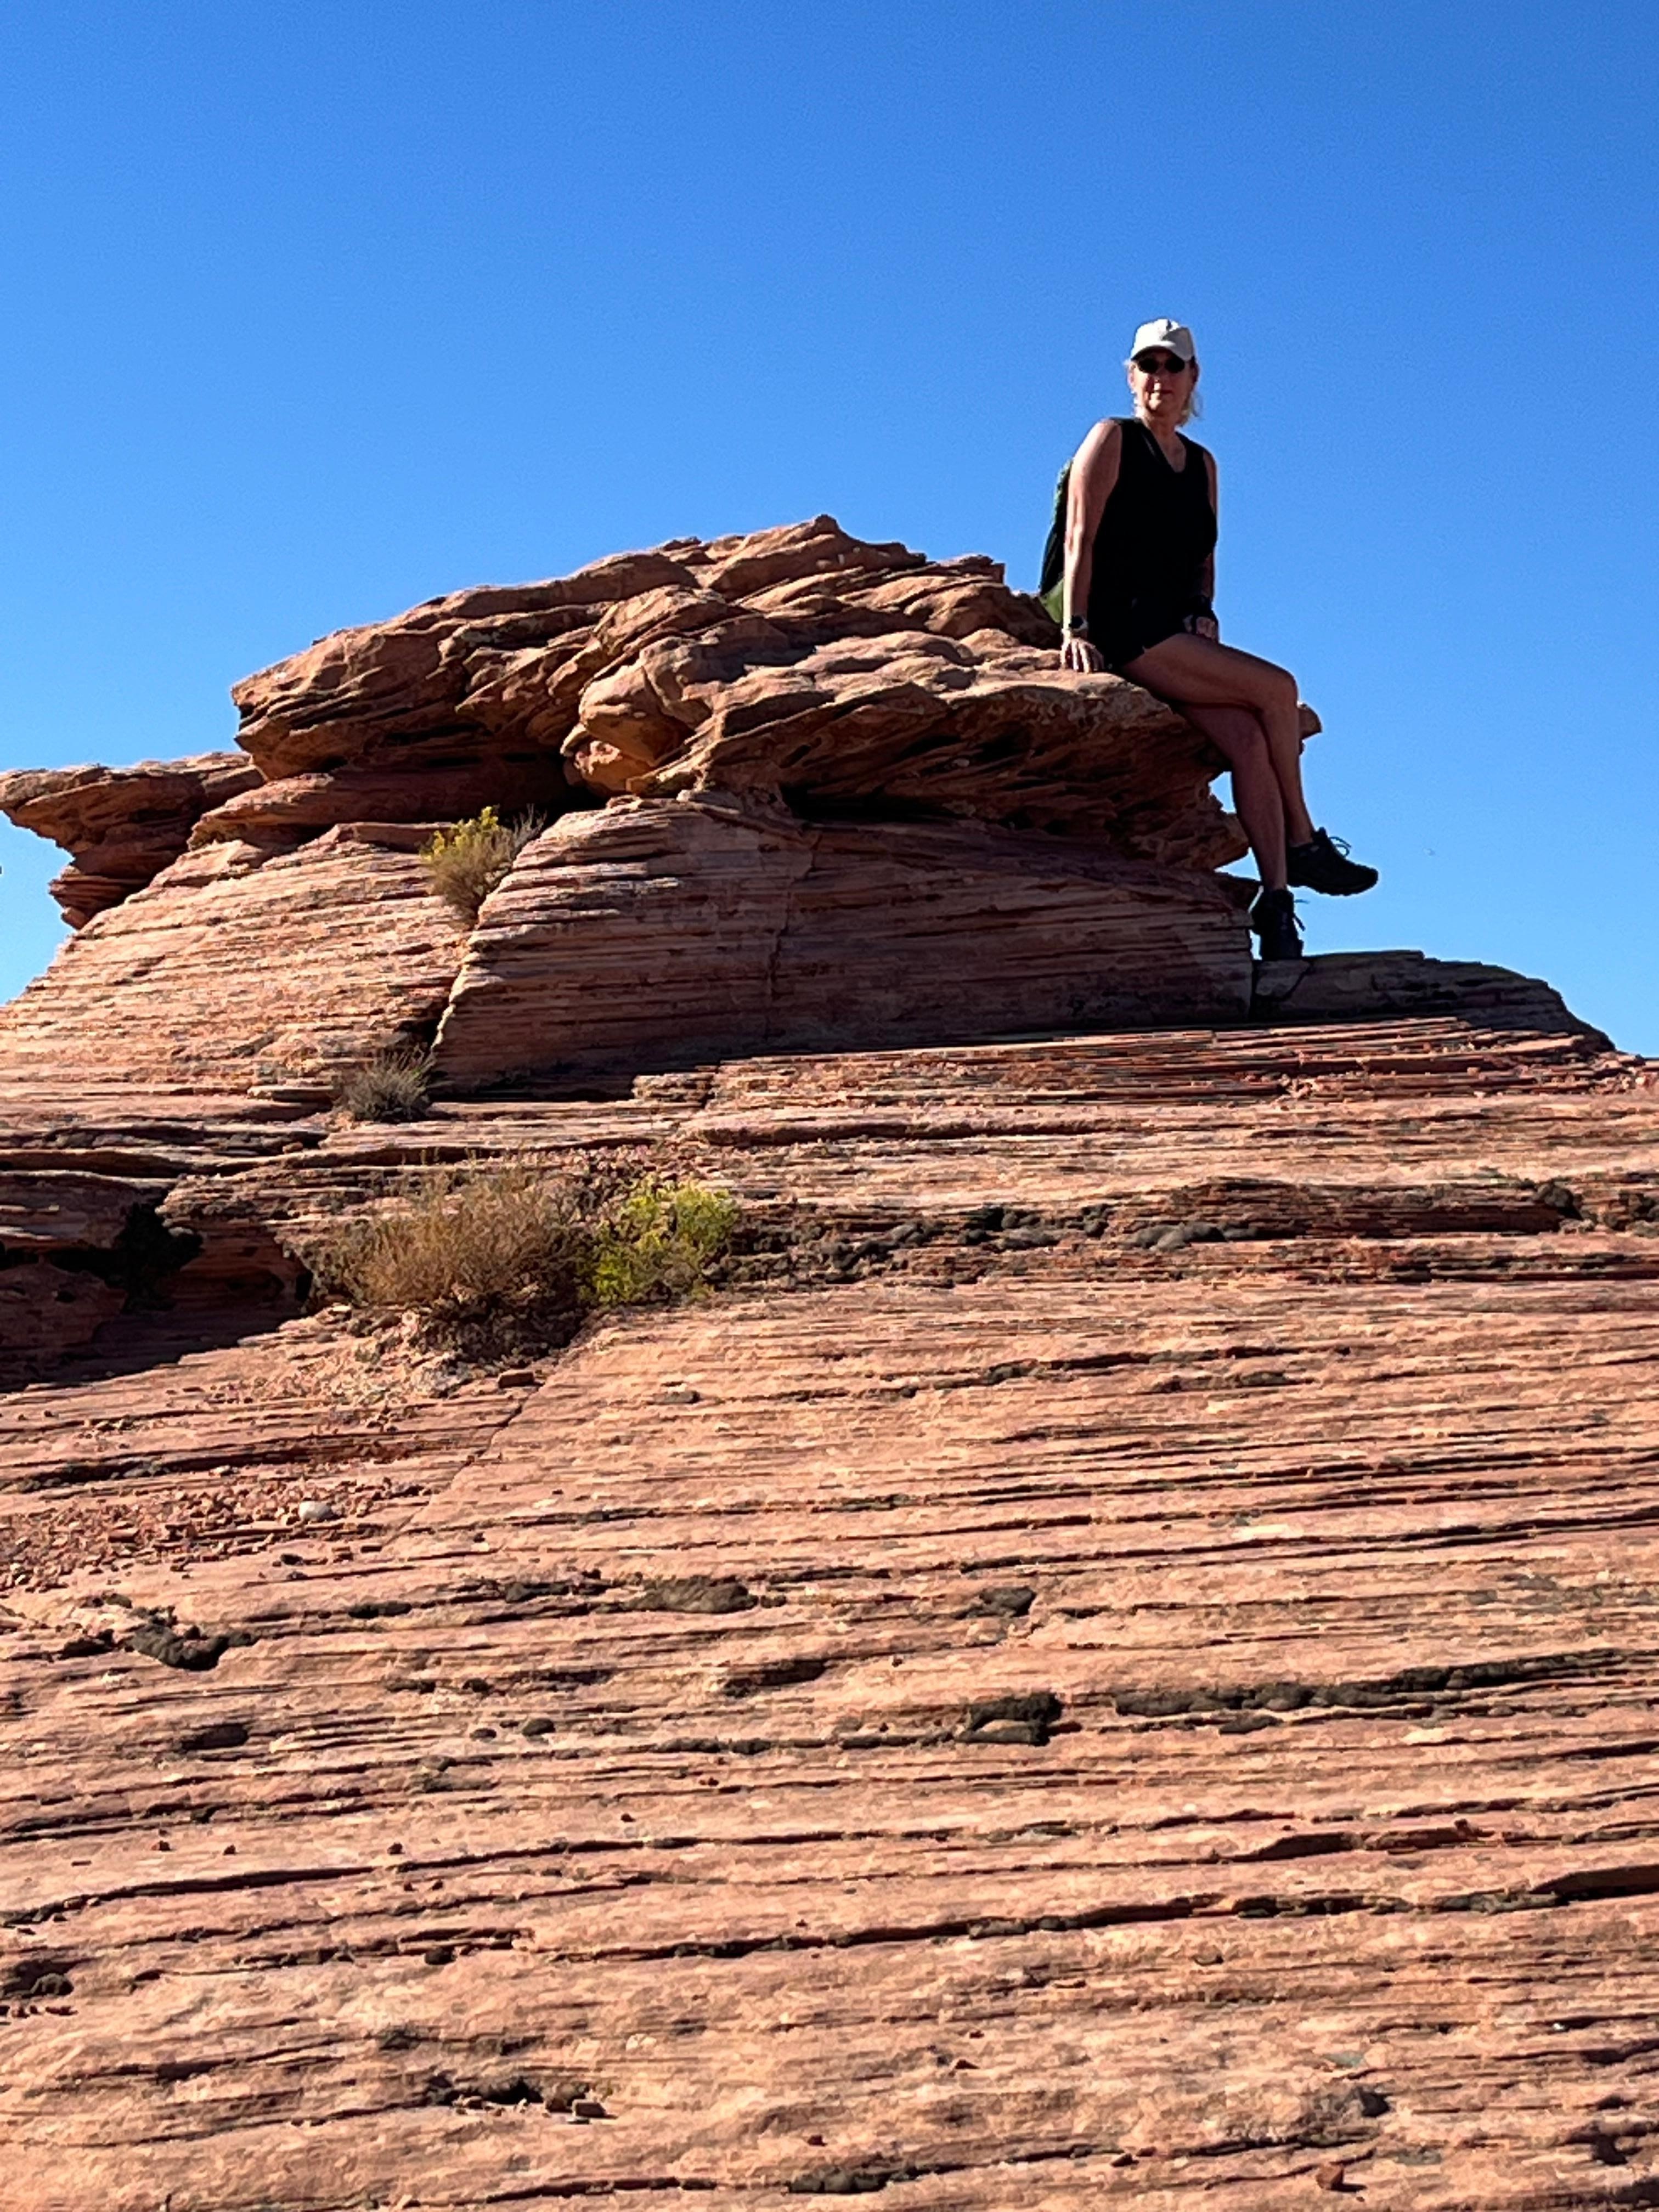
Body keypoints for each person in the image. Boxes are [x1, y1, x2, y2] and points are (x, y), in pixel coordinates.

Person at [1043, 317, 1376, 961]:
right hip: (1119, 623)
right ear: (1131, 375)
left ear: (1193, 377)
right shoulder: (1111, 438)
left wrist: (1203, 608)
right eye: (1149, 366)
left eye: (1173, 367)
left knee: (1250, 742)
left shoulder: (1201, 465)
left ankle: (1276, 905)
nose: (1160, 378)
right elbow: (1082, 536)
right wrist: (1076, 628)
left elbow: (1205, 555)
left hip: (1170, 628)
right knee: (1278, 689)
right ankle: (1305, 843)